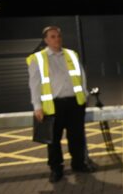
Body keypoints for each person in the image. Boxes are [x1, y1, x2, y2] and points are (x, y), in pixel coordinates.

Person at [27, 26, 95, 183]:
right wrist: (37, 106)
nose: (57, 39)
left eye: (58, 36)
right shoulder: (38, 58)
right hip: (53, 106)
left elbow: (81, 75)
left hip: (74, 104)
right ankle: (56, 169)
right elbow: (34, 84)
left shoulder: (71, 54)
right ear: (46, 40)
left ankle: (78, 164)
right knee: (53, 140)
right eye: (52, 36)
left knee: (76, 137)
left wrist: (84, 95)